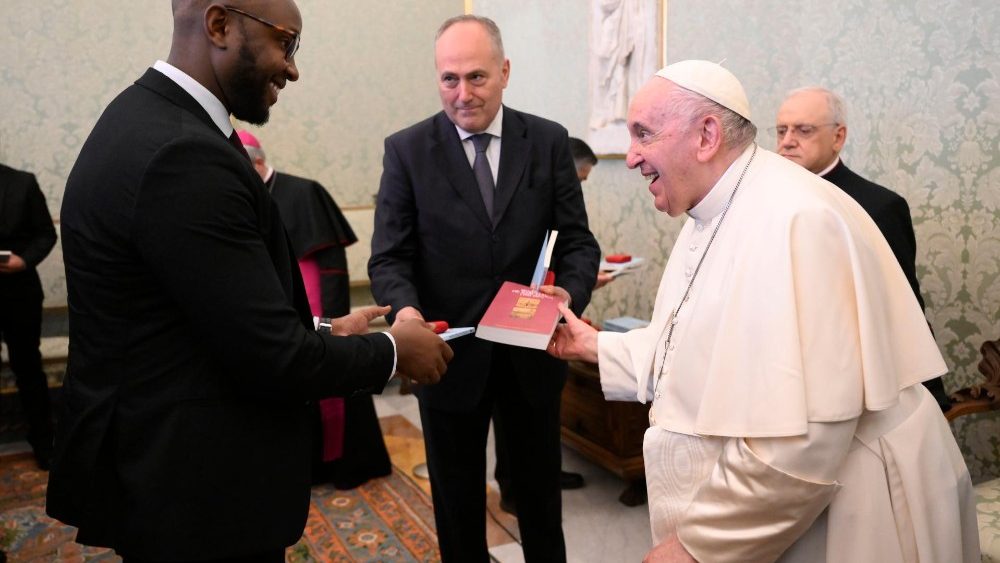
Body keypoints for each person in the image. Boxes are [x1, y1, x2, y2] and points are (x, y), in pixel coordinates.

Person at [46, 1, 452, 561]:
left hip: (169, 463)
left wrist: (322, 329)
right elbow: (273, 359)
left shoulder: (153, 119)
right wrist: (391, 352)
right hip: (191, 486)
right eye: (286, 43)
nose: (292, 68)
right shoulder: (182, 154)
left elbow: (201, 311)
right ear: (219, 25)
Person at [549, 60, 978, 562]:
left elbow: (803, 440)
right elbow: (691, 341)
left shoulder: (795, 218)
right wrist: (592, 344)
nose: (632, 155)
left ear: (706, 135)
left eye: (644, 134)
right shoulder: (713, 209)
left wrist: (696, 547)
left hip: (858, 506)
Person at [368, 15, 600, 562]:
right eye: (450, 79)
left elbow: (579, 246)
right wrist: (405, 314)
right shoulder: (407, 151)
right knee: (457, 503)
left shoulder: (546, 141)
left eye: (477, 77)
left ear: (505, 72)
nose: (463, 93)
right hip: (448, 355)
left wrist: (567, 295)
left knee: (540, 502)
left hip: (531, 354)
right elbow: (389, 256)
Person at [775, 86, 950, 411]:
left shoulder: (880, 207)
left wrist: (929, 400)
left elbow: (903, 308)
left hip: (861, 392)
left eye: (803, 130)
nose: (787, 140)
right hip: (784, 380)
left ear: (838, 137)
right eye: (781, 130)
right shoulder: (763, 203)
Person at [238, 129, 392, 489]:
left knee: (333, 382)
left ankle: (342, 465)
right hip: (272, 309)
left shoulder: (304, 192)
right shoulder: (239, 198)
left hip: (316, 308)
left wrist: (333, 319)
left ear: (258, 163)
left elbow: (331, 266)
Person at [493, 136, 599, 516]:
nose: (579, 188)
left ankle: (541, 476)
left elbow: (572, 247)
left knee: (537, 408)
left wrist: (574, 286)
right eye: (581, 180)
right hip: (515, 316)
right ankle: (513, 487)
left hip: (549, 307)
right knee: (511, 411)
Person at [0, 161, 57, 470]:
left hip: (19, 293)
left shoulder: (22, 182)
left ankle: (44, 443)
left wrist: (24, 261)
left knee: (29, 369)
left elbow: (46, 235)